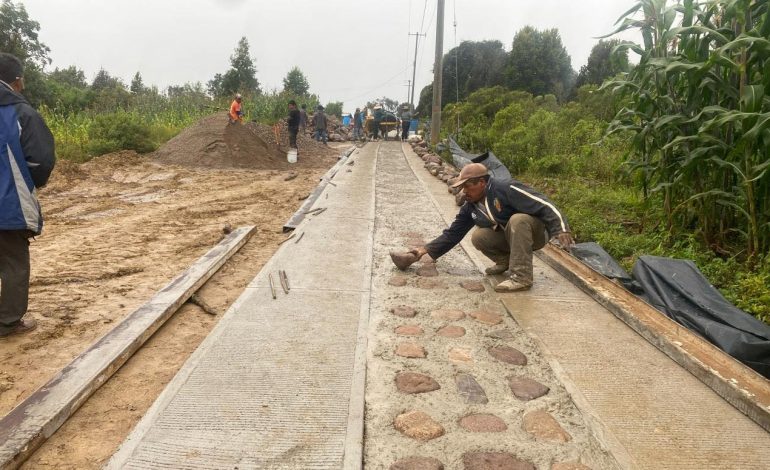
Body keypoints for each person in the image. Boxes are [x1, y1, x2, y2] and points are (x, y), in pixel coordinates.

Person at [391, 163, 574, 292]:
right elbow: (452, 234)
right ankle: (506, 261)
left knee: (518, 220)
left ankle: (522, 277)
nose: (464, 192)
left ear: (482, 183)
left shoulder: (506, 188)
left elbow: (543, 203)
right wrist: (418, 253)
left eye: (467, 187)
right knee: (479, 236)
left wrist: (562, 228)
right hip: (511, 237)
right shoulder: (471, 206)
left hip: (534, 233)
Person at [0, 53, 56, 337]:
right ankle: (8, 322)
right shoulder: (21, 114)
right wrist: (27, 183)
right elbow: (41, 161)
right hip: (9, 205)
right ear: (18, 81)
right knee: (14, 263)